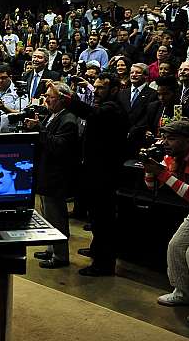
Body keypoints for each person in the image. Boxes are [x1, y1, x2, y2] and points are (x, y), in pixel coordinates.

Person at [66, 72, 129, 276]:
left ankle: (103, 263)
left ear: (114, 89)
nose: (97, 91)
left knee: (103, 219)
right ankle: (96, 250)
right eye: (95, 86)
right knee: (96, 216)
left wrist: (67, 99)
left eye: (101, 88)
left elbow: (90, 114)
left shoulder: (112, 108)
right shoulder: (105, 106)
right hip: (96, 170)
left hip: (105, 173)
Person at [25, 81, 79, 269]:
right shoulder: (54, 114)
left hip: (57, 175)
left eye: (50, 97)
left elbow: (58, 146)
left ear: (62, 99)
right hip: (46, 172)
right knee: (48, 215)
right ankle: (51, 248)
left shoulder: (69, 120)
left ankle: (61, 256)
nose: (46, 99)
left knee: (57, 216)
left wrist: (39, 128)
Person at [143, 120, 189, 319]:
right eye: (164, 137)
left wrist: (161, 173)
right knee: (176, 247)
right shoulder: (174, 156)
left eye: (171, 139)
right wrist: (149, 167)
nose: (165, 143)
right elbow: (151, 185)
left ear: (188, 141)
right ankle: (183, 293)